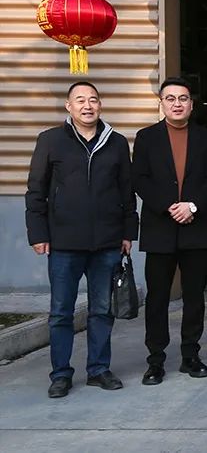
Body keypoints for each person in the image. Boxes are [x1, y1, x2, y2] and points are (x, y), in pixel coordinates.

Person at [26, 81, 138, 398]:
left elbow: (126, 191)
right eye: (80, 100)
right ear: (68, 106)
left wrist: (128, 232)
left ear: (100, 105)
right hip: (63, 243)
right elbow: (36, 190)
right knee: (61, 312)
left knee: (102, 310)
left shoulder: (116, 142)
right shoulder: (50, 140)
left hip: (107, 242)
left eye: (93, 100)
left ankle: (98, 370)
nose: (87, 106)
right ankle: (61, 374)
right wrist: (38, 233)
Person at [132, 77, 207, 385]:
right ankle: (155, 360)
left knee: (194, 297)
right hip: (160, 228)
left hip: (196, 228)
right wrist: (169, 206)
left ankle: (190, 356)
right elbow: (139, 179)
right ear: (162, 104)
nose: (177, 103)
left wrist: (192, 206)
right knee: (157, 298)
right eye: (170, 98)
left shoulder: (205, 139)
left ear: (191, 104)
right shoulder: (146, 137)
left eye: (183, 98)